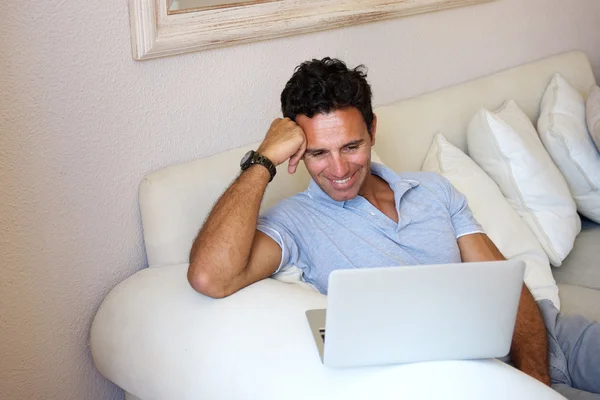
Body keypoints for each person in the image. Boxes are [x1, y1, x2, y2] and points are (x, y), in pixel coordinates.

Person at [188, 58, 600, 398]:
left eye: (351, 146)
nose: (338, 169)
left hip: (545, 336)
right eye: (318, 153)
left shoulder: (432, 190)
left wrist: (535, 373)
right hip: (476, 378)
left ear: (373, 130)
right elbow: (210, 275)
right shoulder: (294, 223)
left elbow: (504, 284)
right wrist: (263, 159)